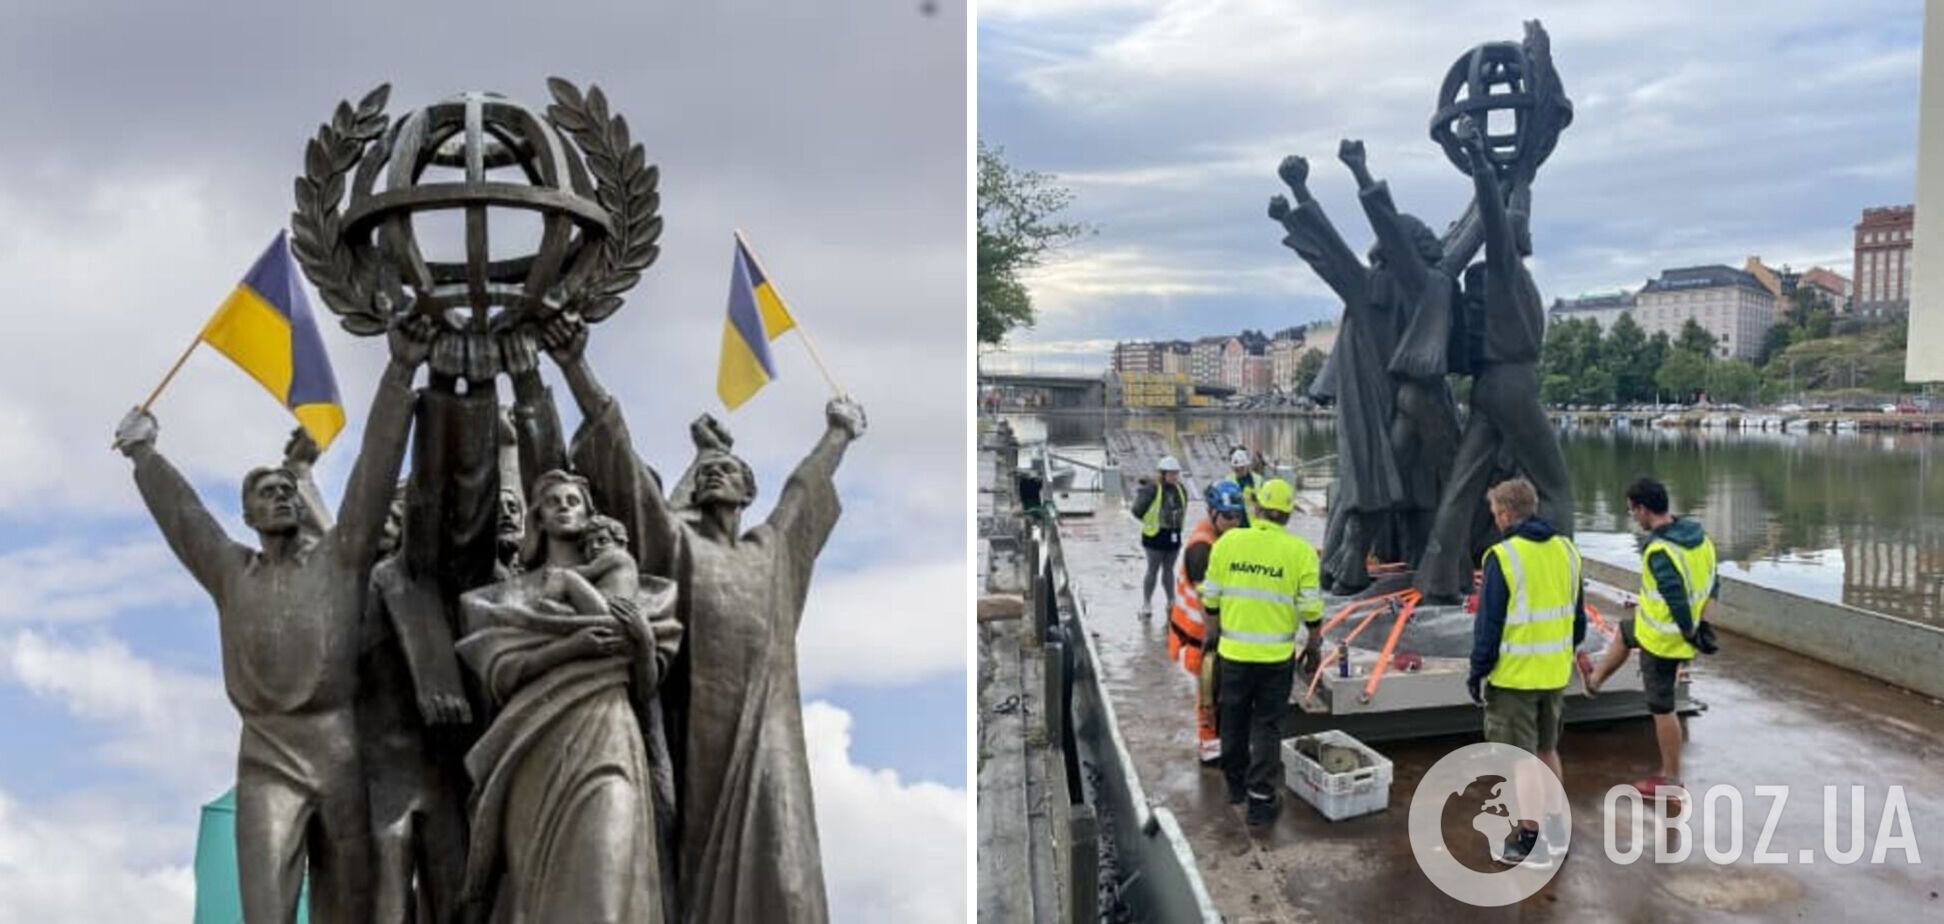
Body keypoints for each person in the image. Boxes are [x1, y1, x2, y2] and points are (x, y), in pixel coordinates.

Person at [540, 313, 862, 923]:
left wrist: (839, 434)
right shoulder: (679, 550)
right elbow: (628, 476)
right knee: (694, 881)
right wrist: (576, 366)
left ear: (747, 493)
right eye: (710, 470)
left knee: (789, 872)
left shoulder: (773, 550)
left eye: (731, 471)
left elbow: (803, 490)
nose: (718, 473)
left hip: (769, 731)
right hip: (701, 740)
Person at [111, 316, 430, 923]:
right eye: (267, 493)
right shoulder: (233, 571)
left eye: (288, 489)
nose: (283, 496)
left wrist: (400, 370)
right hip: (266, 756)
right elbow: (187, 521)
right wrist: (144, 454)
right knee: (265, 910)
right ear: (249, 514)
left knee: (352, 911)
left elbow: (374, 474)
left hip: (339, 753)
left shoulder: (340, 561)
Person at [456, 470, 682, 923]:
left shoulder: (634, 584)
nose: (564, 506)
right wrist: (571, 647)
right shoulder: (502, 598)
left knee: (607, 873)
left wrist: (642, 641)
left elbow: (644, 684)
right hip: (531, 742)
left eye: (573, 500)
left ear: (590, 512)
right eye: (554, 501)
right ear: (537, 518)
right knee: (534, 891)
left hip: (608, 732)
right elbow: (503, 675)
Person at [1466, 477, 1584, 866]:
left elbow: (1489, 626)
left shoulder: (1503, 557)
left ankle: (1530, 838)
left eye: (1495, 513)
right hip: (1554, 673)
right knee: (1548, 749)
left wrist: (1477, 671)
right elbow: (1578, 621)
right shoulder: (1567, 550)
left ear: (1505, 513)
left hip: (1515, 676)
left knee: (1520, 759)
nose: (1495, 519)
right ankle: (1556, 830)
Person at [1584, 476, 1718, 802]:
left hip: (1664, 640)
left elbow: (1674, 596)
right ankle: (1595, 680)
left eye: (1632, 511)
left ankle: (1670, 780)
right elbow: (1714, 581)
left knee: (1663, 708)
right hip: (1657, 630)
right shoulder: (1698, 538)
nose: (1633, 517)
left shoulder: (1660, 550)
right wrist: (1705, 625)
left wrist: (1689, 631)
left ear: (1644, 509)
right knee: (1626, 632)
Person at [1202, 478, 1323, 826]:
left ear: (1255, 509)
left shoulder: (1228, 543)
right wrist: (1314, 645)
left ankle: (1236, 786)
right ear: (1288, 514)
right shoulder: (1300, 552)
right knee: (1267, 726)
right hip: (1275, 659)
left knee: (1233, 719)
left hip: (1234, 654)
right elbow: (1311, 608)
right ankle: (1260, 800)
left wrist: (1211, 637)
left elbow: (1210, 597)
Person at [1169, 480, 1248, 765]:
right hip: (1198, 637)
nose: (1234, 522)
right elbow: (1207, 603)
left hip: (1202, 634)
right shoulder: (1202, 549)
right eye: (1228, 517)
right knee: (1209, 694)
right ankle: (1210, 749)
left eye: (1238, 516)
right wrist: (1216, 636)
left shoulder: (1219, 539)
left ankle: (1217, 742)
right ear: (1213, 513)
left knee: (1217, 693)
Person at [1132, 455, 1189, 619]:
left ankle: (1171, 600)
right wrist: (1150, 521)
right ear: (1162, 474)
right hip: (1154, 536)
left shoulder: (1181, 489)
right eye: (1171, 474)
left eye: (1176, 474)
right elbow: (1137, 510)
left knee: (1169, 570)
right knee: (1152, 570)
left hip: (1173, 535)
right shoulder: (1152, 489)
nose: (1174, 477)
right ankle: (1147, 603)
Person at [1228, 448, 1259, 523]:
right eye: (1236, 469)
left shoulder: (1257, 479)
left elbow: (1263, 500)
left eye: (1241, 468)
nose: (1239, 471)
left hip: (1254, 521)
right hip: (1236, 520)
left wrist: (1255, 498)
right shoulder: (1229, 479)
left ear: (1247, 466)